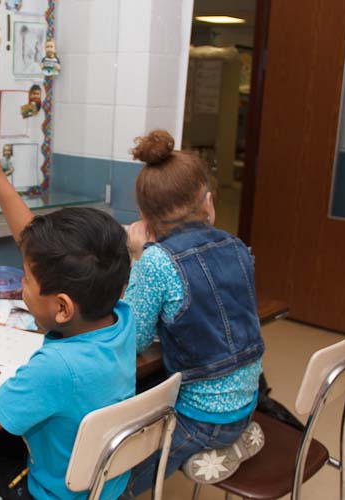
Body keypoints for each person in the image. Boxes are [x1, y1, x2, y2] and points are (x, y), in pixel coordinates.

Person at [0, 112, 136, 500]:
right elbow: (33, 243)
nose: (21, 284)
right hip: (106, 486)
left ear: (62, 308)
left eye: (26, 279)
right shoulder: (122, 319)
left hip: (52, 494)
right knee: (0, 444)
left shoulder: (56, 369)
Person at [121, 130, 265, 496]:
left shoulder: (157, 261)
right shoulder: (237, 246)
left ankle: (213, 443)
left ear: (144, 218)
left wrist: (138, 256)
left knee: (115, 480)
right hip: (249, 401)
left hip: (203, 418)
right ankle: (232, 440)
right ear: (209, 203)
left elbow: (134, 339)